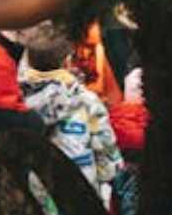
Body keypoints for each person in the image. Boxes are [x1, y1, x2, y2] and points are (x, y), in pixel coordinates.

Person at [20, 24, 124, 197]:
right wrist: (111, 175)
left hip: (41, 187)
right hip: (82, 188)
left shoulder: (20, 99)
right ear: (67, 61)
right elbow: (104, 145)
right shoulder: (85, 100)